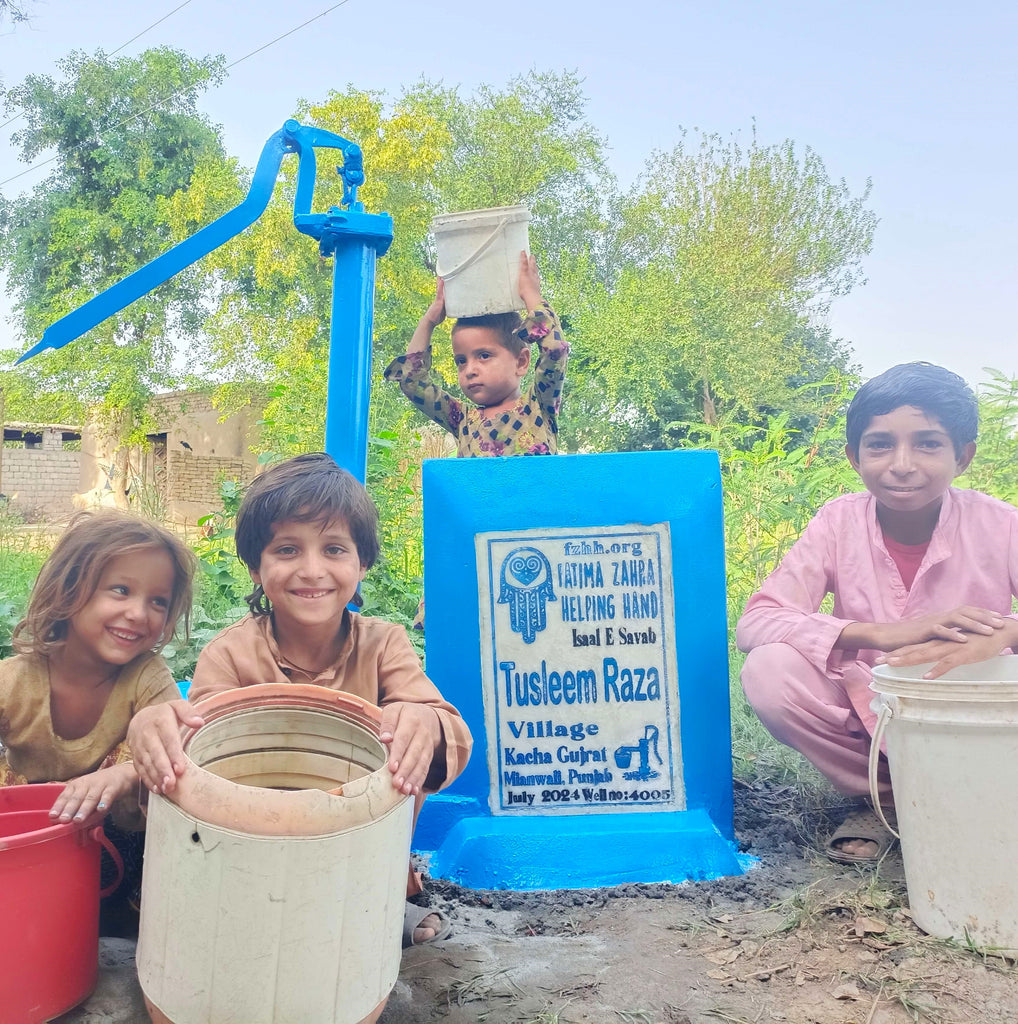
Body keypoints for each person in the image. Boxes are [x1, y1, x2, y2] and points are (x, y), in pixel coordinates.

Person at [128, 453, 473, 946]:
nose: (312, 570)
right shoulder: (230, 655)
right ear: (255, 568)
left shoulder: (384, 645)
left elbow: (454, 737)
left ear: (362, 565)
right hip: (248, 861)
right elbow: (193, 758)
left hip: (361, 862)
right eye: (287, 549)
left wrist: (425, 721)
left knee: (410, 742)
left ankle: (384, 902)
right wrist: (155, 729)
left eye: (334, 549)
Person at [737, 362, 1018, 864]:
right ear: (853, 456)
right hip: (877, 718)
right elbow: (757, 620)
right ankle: (887, 799)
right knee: (769, 669)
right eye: (880, 444)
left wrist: (1003, 634)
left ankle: (971, 793)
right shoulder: (838, 522)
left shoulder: (1001, 525)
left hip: (973, 715)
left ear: (964, 455)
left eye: (928, 443)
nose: (902, 464)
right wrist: (883, 634)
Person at [0, 510, 196, 922]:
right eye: (121, 590)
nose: (139, 613)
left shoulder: (146, 676)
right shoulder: (14, 680)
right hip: (32, 847)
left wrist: (123, 774)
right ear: (68, 591)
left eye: (157, 601)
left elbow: (179, 750)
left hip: (122, 850)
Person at [384, 250, 568, 457]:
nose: (469, 370)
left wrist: (530, 294)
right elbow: (412, 381)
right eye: (461, 361)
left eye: (484, 356)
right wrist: (429, 321)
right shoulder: (461, 419)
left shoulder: (539, 406)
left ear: (521, 362)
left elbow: (555, 349)